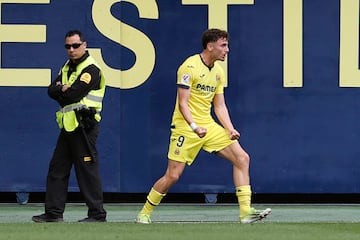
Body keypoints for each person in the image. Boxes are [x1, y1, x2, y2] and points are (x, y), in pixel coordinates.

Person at [135, 28, 271, 224]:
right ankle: (144, 213)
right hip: (185, 127)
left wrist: (229, 128)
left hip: (208, 126)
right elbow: (183, 104)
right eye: (223, 45)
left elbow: (220, 105)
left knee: (242, 158)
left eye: (227, 45)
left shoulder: (218, 72)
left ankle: (245, 212)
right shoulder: (188, 67)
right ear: (210, 46)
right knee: (173, 175)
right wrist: (193, 126)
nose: (227, 50)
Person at [32, 30, 107, 223]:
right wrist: (60, 89)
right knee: (57, 168)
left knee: (87, 170)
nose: (71, 50)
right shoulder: (67, 67)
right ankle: (54, 213)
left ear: (84, 45)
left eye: (75, 45)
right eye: (68, 46)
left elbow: (72, 95)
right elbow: (51, 90)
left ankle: (97, 214)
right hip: (69, 126)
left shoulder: (91, 69)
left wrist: (62, 90)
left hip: (84, 126)